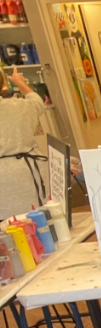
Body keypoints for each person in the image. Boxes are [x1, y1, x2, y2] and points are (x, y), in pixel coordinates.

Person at [0, 66, 48, 221]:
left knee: (9, 229)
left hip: (4, 179)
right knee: (40, 221)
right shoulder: (20, 106)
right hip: (29, 171)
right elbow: (37, 102)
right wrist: (20, 82)